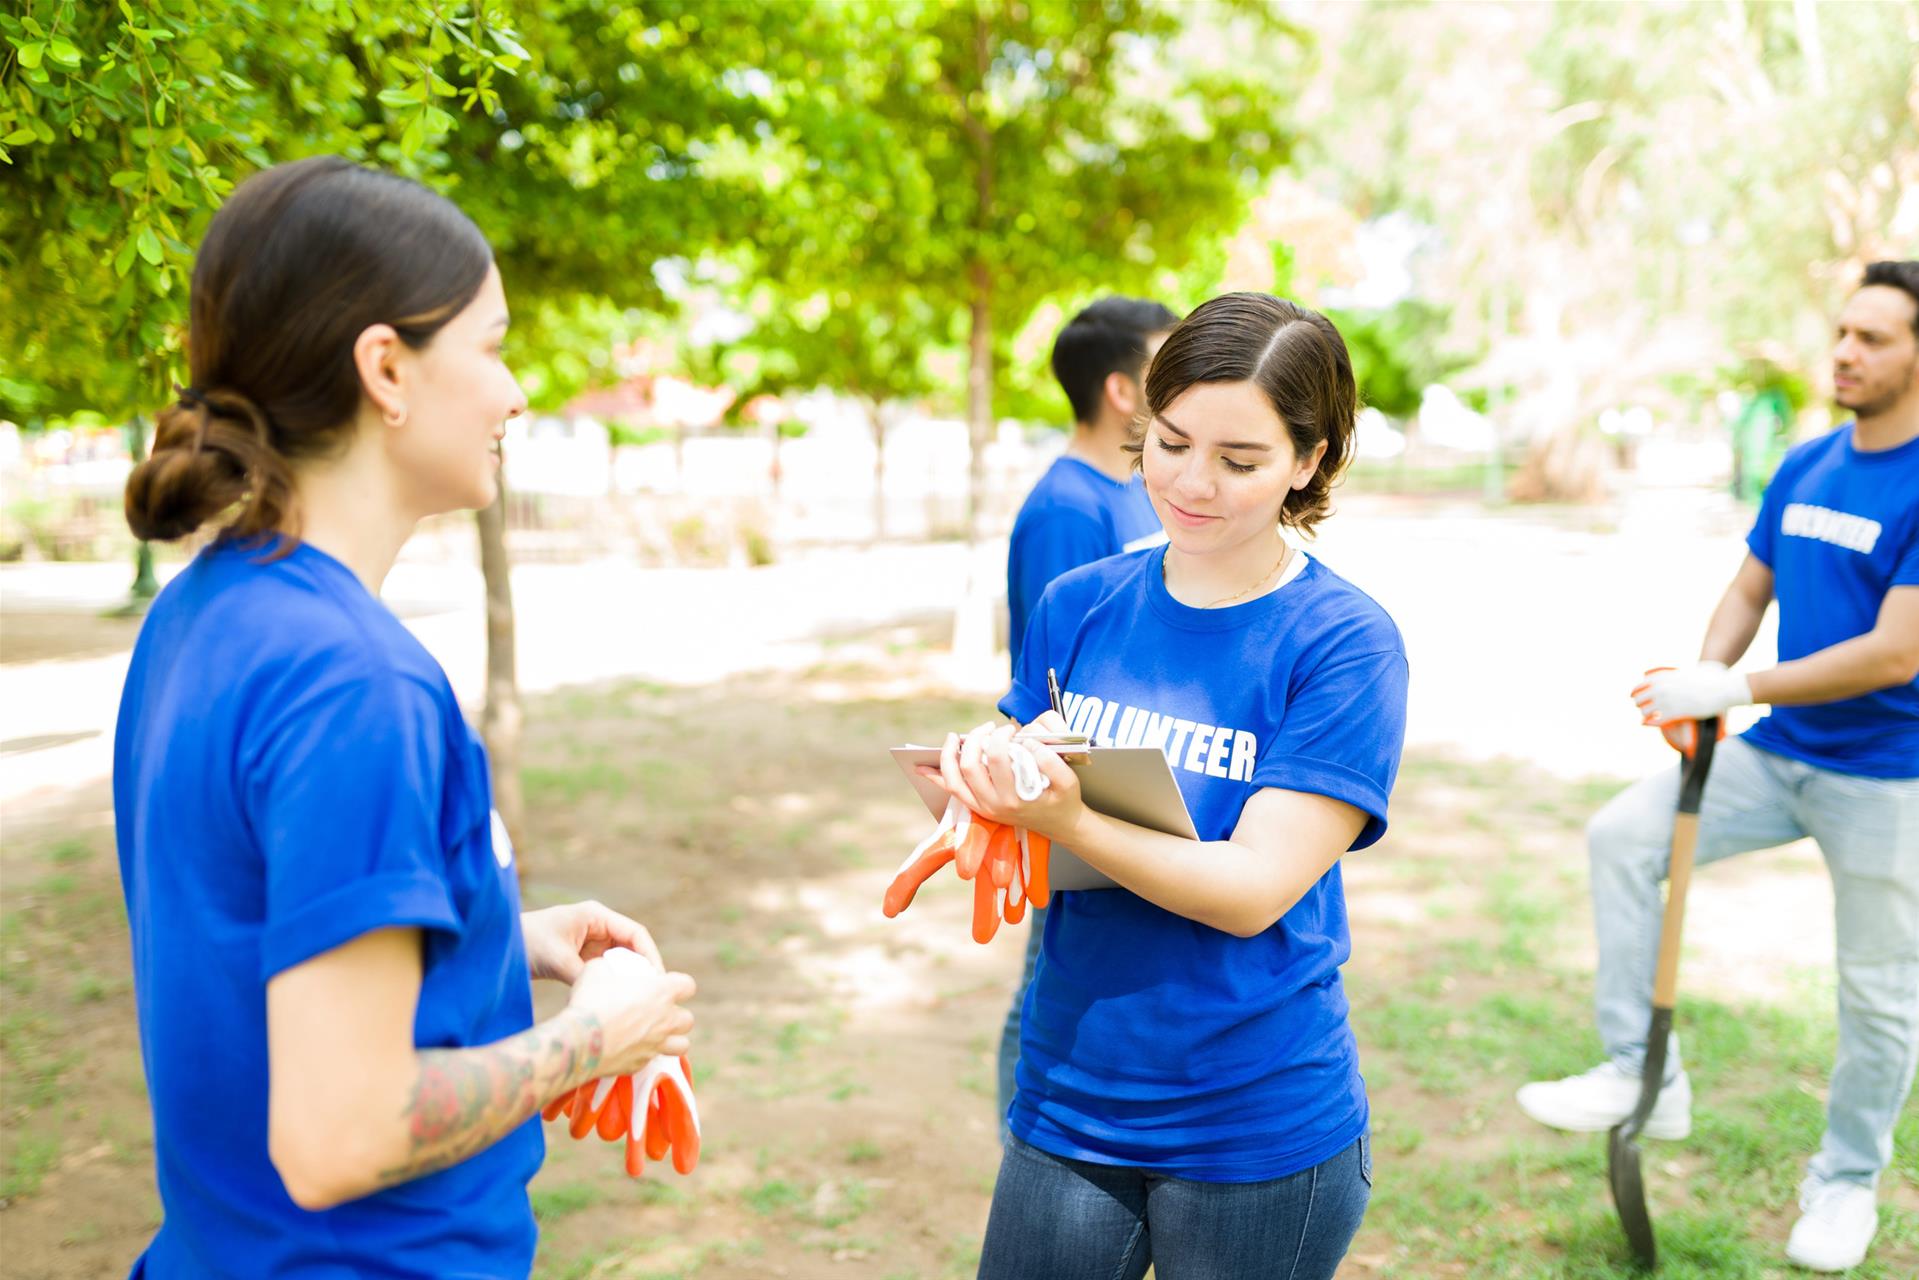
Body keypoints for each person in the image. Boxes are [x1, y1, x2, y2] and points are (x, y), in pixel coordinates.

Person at [113, 156, 697, 1278]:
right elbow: (338, 1132)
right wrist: (592, 1039)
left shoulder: (203, 614)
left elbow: (251, 934)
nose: (515, 391)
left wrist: (491, 939)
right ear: (385, 367)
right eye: (490, 344)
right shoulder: (355, 685)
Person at [929, 293, 1408, 1279]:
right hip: (1070, 1093)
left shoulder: (1343, 642)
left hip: (1252, 1119)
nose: (1189, 482)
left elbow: (1250, 889)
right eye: (1170, 440)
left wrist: (1069, 814)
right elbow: (1035, 848)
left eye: (1238, 462)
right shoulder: (1080, 601)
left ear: (1308, 463)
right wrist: (984, 796)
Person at [1516, 260, 1919, 1273]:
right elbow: (1748, 587)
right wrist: (1706, 672)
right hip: (1777, 755)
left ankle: (1842, 1181)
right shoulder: (1809, 462)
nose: (1843, 350)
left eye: (1872, 337)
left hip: (1886, 773)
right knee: (1619, 837)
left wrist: (1735, 692)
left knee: (1874, 992)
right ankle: (1643, 1074)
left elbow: (1894, 650)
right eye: (1841, 330)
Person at [996, 296, 1178, 1121]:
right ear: (1120, 391)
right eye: (1167, 366)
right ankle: (1030, 1145)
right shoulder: (1069, 507)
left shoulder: (1132, 489)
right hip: (1083, 790)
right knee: (1046, 984)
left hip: (1137, 789)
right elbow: (1061, 682)